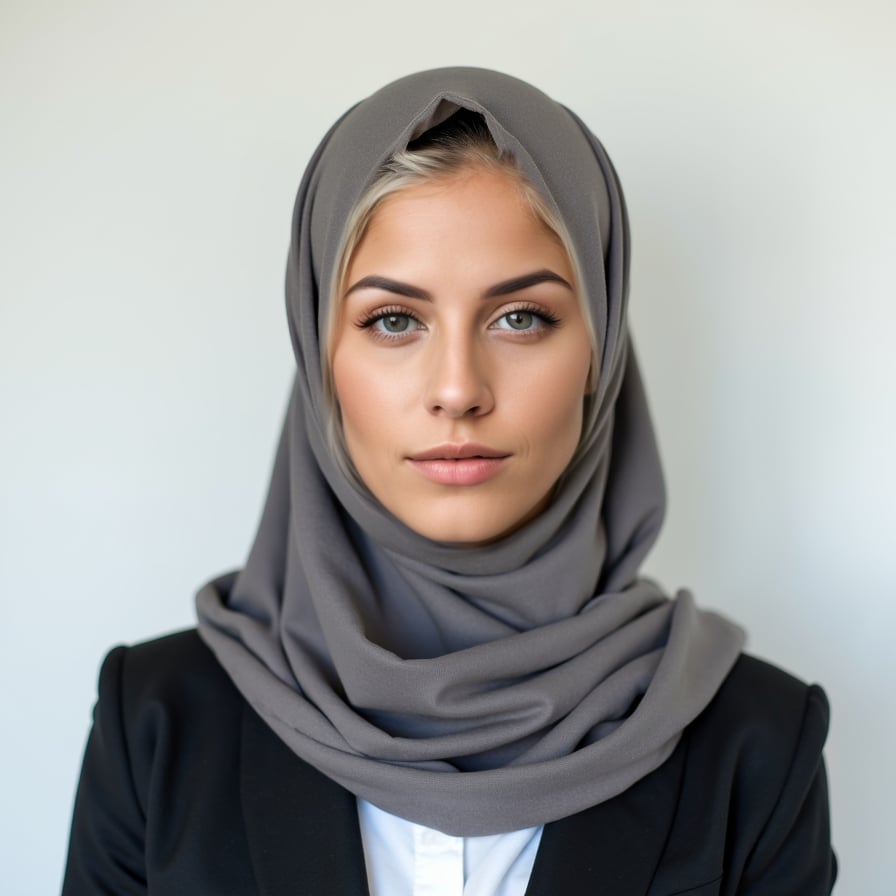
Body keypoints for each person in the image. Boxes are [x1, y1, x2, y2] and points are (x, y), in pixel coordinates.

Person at [62, 68, 836, 895]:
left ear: (599, 354)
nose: (459, 388)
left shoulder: (756, 743)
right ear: (320, 354)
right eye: (394, 320)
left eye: (520, 317)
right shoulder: (156, 727)